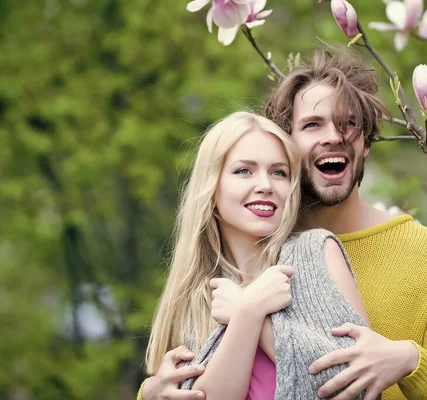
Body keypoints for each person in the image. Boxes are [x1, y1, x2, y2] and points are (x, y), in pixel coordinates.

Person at [142, 48, 427, 400]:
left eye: (349, 124)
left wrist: (410, 359)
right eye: (312, 125)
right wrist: (150, 393)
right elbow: (186, 375)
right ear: (288, 144)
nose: (334, 137)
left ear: (366, 142)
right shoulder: (248, 243)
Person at [140, 111, 375, 400]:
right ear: (212, 187)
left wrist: (250, 313)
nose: (265, 185)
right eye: (244, 171)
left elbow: (356, 385)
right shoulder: (196, 296)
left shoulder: (316, 252)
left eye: (279, 172)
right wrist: (248, 314)